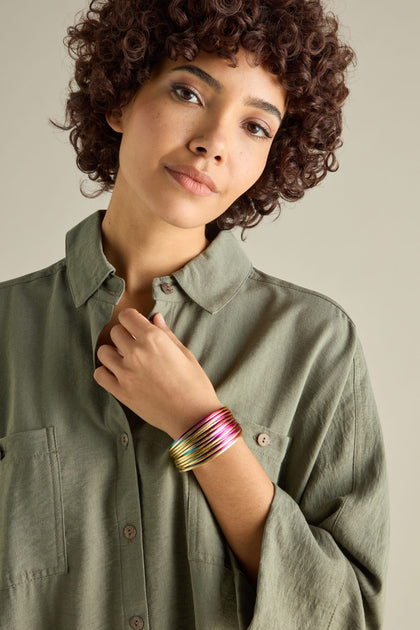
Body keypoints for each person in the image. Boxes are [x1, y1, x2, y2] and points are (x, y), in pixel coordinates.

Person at [0, 1, 389, 629]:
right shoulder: (4, 333)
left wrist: (200, 427)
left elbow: (344, 614)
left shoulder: (315, 344)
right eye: (187, 91)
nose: (213, 142)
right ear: (119, 99)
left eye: (256, 127)